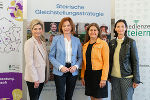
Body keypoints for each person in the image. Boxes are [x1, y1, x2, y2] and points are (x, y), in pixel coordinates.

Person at [49, 17, 82, 100]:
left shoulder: (77, 40)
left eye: (68, 25)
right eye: (64, 26)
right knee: (60, 96)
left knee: (69, 96)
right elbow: (51, 56)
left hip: (73, 71)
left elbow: (80, 57)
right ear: (61, 27)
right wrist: (60, 67)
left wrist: (76, 66)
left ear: (71, 27)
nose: (66, 28)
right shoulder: (56, 39)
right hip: (60, 70)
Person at [109, 19, 140, 100]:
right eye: (118, 26)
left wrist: (136, 79)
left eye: (122, 26)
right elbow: (109, 61)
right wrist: (108, 75)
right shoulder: (111, 43)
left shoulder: (130, 42)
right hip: (114, 78)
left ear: (126, 28)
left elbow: (135, 61)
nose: (120, 28)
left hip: (127, 78)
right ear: (115, 28)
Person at [81, 23, 109, 100]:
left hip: (99, 75)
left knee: (98, 98)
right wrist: (83, 76)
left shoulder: (103, 44)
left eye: (95, 30)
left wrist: (104, 78)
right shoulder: (85, 45)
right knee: (92, 98)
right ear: (88, 32)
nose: (93, 32)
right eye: (91, 30)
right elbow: (84, 62)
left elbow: (106, 63)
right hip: (88, 74)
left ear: (98, 32)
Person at [24, 19, 49, 100]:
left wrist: (45, 76)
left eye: (39, 29)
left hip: (41, 77)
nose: (38, 31)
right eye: (35, 29)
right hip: (33, 78)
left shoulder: (42, 42)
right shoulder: (29, 42)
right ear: (31, 30)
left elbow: (44, 60)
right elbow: (29, 63)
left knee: (37, 98)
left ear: (42, 30)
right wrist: (35, 79)